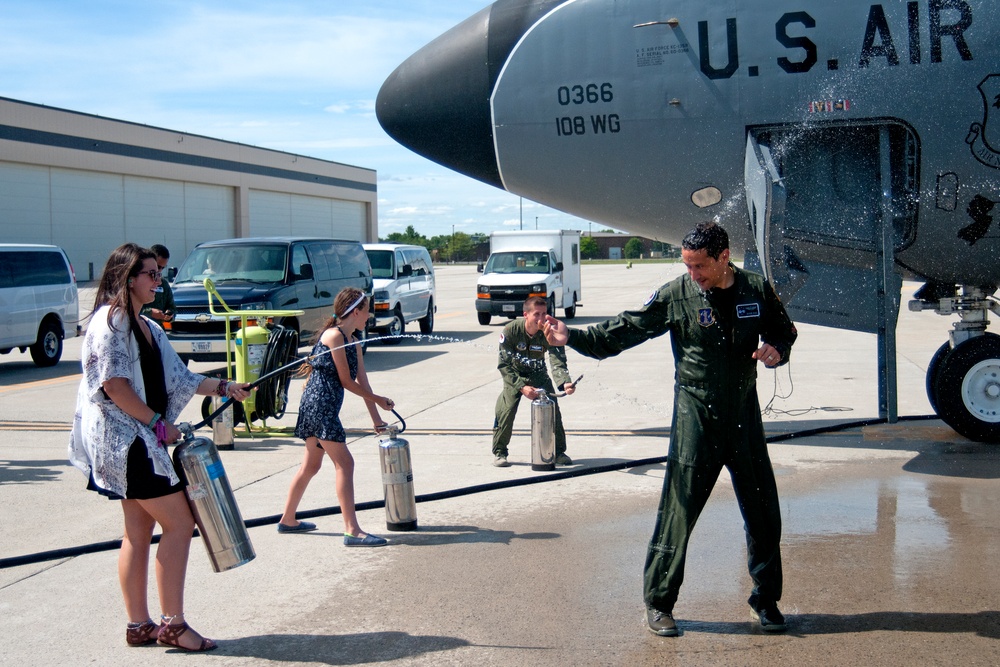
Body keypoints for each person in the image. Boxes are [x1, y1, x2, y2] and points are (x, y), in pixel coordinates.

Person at [543, 222, 797, 636]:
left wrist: (776, 352)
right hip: (695, 416)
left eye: (699, 266)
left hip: (743, 416)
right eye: (688, 265)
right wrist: (574, 337)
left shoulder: (756, 288)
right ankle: (659, 603)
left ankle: (765, 602)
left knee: (764, 512)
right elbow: (626, 329)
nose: (692, 274)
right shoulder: (677, 295)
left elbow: (784, 333)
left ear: (723, 257)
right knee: (678, 513)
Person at [68, 243, 253, 651]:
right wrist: (156, 423)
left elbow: (180, 377)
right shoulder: (112, 323)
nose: (159, 281)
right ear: (128, 279)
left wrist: (225, 387)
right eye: (151, 274)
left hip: (138, 440)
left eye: (158, 273)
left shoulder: (147, 326)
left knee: (138, 532)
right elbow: (113, 385)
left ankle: (139, 625)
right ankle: (173, 623)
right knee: (180, 522)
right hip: (126, 442)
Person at [278, 287, 395, 546]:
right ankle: (352, 530)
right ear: (355, 312)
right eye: (367, 311)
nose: (369, 315)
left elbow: (362, 381)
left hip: (321, 406)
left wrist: (376, 418)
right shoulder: (334, 336)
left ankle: (287, 519)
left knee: (311, 466)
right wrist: (380, 401)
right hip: (320, 407)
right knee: (345, 464)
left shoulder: (353, 339)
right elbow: (346, 381)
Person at [492, 295, 576, 467]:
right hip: (515, 376)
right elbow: (504, 364)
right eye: (536, 314)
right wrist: (521, 387)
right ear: (526, 315)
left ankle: (559, 452)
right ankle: (500, 452)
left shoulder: (548, 331)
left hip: (539, 375)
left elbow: (557, 359)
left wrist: (565, 382)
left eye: (544, 313)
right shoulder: (510, 331)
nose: (541, 318)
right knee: (506, 410)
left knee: (553, 410)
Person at [140, 244, 175, 324]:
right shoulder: (140, 282)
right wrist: (150, 312)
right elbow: (130, 309)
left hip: (158, 330)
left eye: (163, 268)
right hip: (141, 327)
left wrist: (169, 314)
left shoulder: (163, 284)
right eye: (158, 266)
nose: (159, 270)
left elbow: (172, 307)